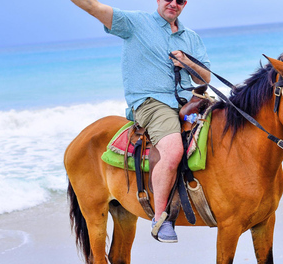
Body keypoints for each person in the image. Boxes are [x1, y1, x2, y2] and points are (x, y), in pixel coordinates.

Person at [71, 0, 211, 243]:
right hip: (152, 103)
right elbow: (94, 8)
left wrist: (186, 62)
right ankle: (160, 218)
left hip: (188, 103)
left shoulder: (191, 37)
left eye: (180, 0)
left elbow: (205, 77)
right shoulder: (135, 23)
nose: (173, 4)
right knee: (172, 150)